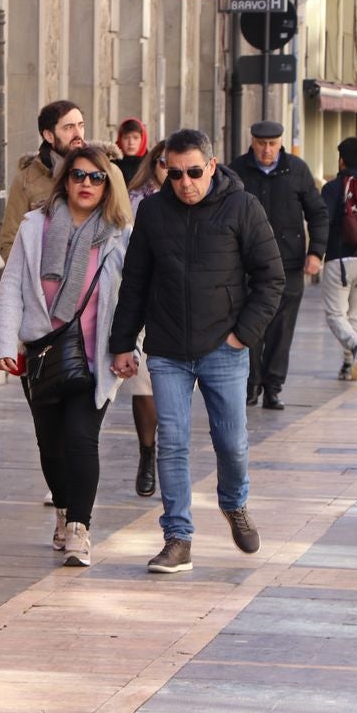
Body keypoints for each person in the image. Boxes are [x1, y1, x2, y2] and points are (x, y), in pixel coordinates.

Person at [110, 128, 284, 573]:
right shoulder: (152, 212)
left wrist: (242, 334)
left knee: (232, 444)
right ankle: (178, 537)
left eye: (193, 172)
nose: (184, 182)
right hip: (167, 349)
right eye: (174, 173)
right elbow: (135, 282)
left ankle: (234, 503)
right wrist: (122, 343)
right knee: (172, 442)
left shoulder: (242, 206)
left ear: (210, 166)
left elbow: (270, 278)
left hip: (224, 348)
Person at [0, 145, 132, 567]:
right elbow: (13, 285)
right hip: (42, 354)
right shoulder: (35, 227)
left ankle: (79, 527)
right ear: (65, 180)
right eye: (78, 176)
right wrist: (3, 344)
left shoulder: (117, 233)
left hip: (96, 357)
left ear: (108, 185)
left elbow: (133, 297)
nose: (86, 184)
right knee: (50, 446)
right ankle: (63, 509)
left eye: (96, 177)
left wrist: (131, 346)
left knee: (80, 438)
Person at [229, 120, 328, 411]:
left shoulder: (297, 169)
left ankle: (273, 386)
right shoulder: (237, 169)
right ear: (253, 142)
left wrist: (316, 253)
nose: (267, 149)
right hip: (245, 264)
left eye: (272, 144)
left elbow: (318, 214)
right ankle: (251, 384)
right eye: (262, 143)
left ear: (280, 143)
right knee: (249, 324)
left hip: (289, 264)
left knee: (282, 329)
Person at [123, 140, 168, 497]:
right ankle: (147, 452)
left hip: (182, 309)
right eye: (165, 163)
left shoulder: (201, 202)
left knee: (173, 389)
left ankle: (169, 452)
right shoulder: (135, 201)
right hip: (140, 302)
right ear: (154, 164)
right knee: (143, 384)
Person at [0, 100, 87, 261]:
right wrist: (33, 279)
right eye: (69, 127)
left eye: (80, 125)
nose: (78, 134)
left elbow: (123, 229)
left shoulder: (105, 173)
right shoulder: (27, 180)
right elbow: (10, 241)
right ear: (49, 135)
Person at [321, 137, 357, 381]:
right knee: (355, 312)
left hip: (339, 257)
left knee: (335, 314)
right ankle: (349, 366)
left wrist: (316, 251)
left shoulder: (335, 186)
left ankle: (356, 346)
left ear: (341, 159)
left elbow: (325, 220)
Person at [114, 117, 149, 184]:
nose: (131, 142)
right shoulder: (112, 164)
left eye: (135, 138)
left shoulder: (151, 164)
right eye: (126, 138)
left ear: (142, 140)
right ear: (120, 140)